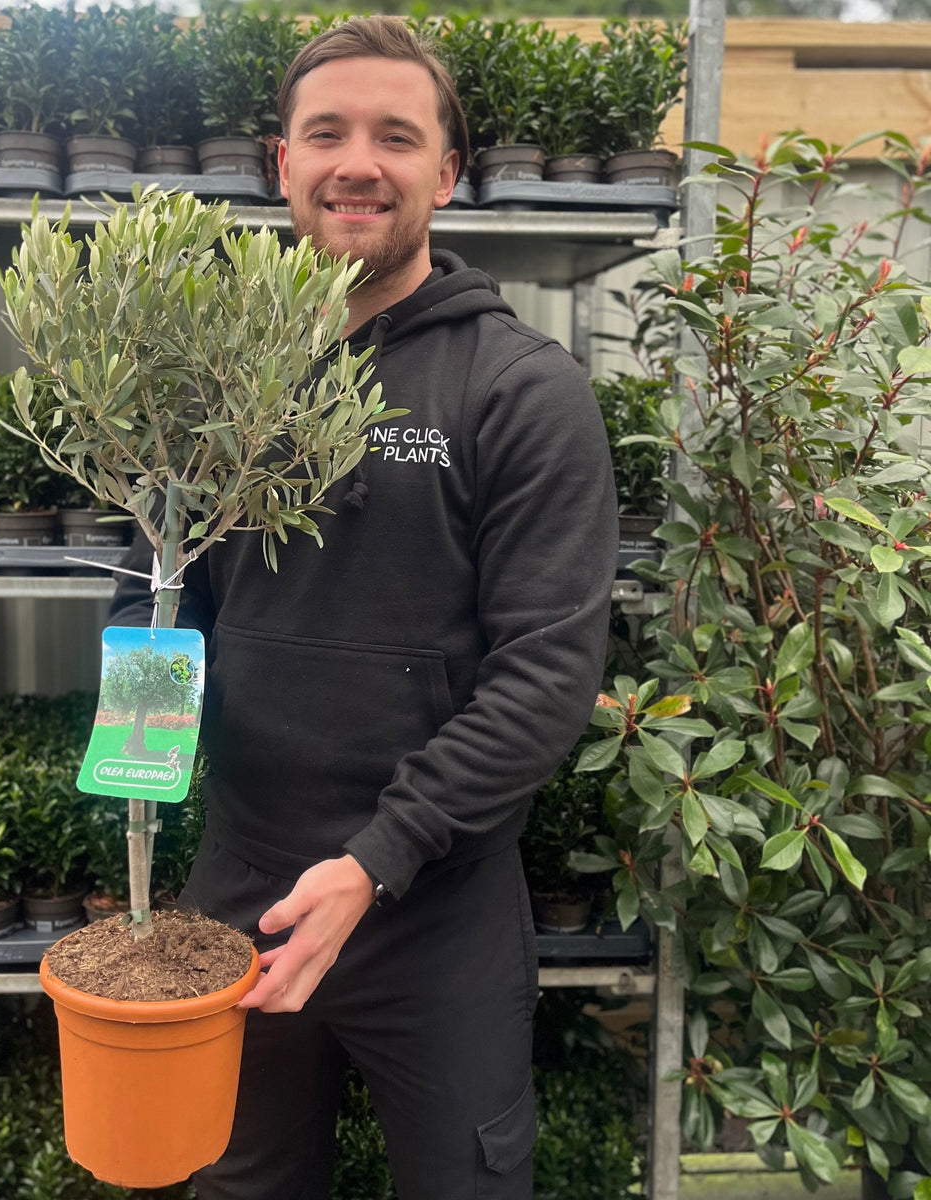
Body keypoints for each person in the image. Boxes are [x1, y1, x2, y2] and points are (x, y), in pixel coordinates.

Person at [109, 16, 618, 1199]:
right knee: (233, 1179)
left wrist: (376, 860)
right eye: (326, 131)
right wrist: (139, 794)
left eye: (397, 136)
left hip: (431, 908)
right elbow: (157, 606)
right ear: (278, 161)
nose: (358, 162)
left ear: (445, 173)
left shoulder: (519, 390)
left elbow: (546, 677)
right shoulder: (214, 382)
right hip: (238, 888)